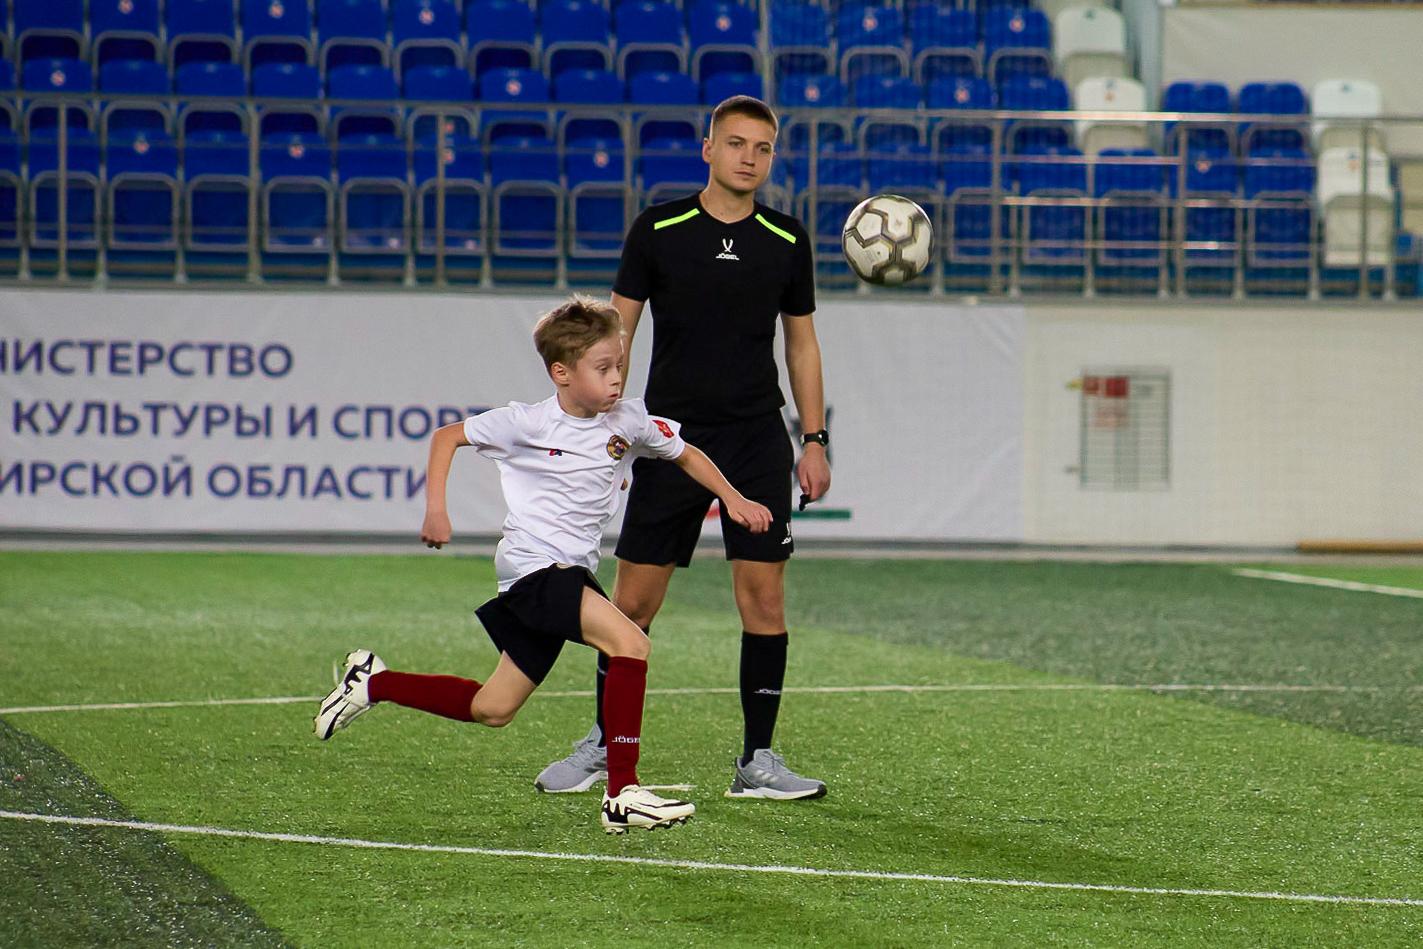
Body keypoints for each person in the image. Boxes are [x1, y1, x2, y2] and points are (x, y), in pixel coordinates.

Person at [313, 296, 773, 833]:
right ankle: (622, 792)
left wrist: (734, 500)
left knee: (494, 707)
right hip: (534, 568)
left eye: (620, 364)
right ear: (561, 373)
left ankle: (372, 683)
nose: (616, 378)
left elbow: (685, 452)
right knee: (631, 642)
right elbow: (447, 438)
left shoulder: (629, 419)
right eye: (602, 369)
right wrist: (437, 508)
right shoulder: (525, 423)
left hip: (568, 572)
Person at [536, 95, 833, 801]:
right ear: (708, 149)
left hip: (756, 436)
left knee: (763, 599)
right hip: (669, 437)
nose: (748, 158)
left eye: (761, 148)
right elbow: (617, 332)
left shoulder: (787, 240)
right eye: (735, 144)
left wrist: (813, 438)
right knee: (632, 603)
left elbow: (801, 343)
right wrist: (605, 418)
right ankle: (606, 743)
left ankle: (757, 760)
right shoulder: (658, 228)